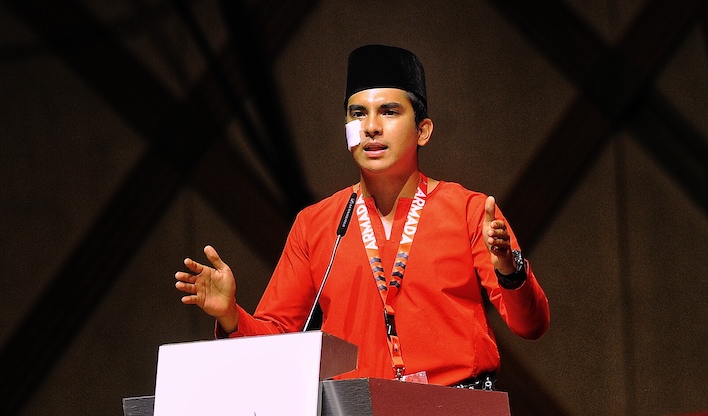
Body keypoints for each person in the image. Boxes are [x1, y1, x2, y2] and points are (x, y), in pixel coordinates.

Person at [176, 44, 549, 389]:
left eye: (389, 111)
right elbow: (278, 344)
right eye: (359, 113)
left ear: (423, 131)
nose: (371, 126)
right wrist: (230, 315)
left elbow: (531, 325)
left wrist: (509, 268)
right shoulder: (316, 225)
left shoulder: (469, 211)